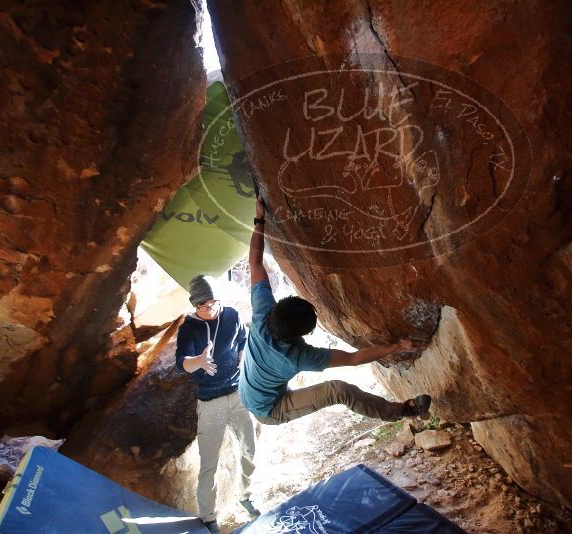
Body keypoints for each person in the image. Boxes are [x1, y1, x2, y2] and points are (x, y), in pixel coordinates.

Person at [239, 197, 432, 426]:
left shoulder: (262, 313)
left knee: (325, 387)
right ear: (300, 336)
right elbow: (353, 359)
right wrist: (398, 346)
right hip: (268, 408)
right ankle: (403, 411)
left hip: (253, 388)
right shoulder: (297, 356)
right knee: (339, 391)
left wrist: (259, 220)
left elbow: (255, 263)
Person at [175, 275, 260, 531]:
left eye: (212, 302)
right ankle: (209, 516)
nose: (208, 308)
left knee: (249, 450)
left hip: (238, 394)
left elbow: (244, 340)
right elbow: (182, 363)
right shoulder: (189, 328)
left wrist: (244, 357)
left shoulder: (232, 315)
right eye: (202, 305)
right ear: (194, 305)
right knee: (208, 463)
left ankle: (245, 496)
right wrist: (198, 362)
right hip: (210, 401)